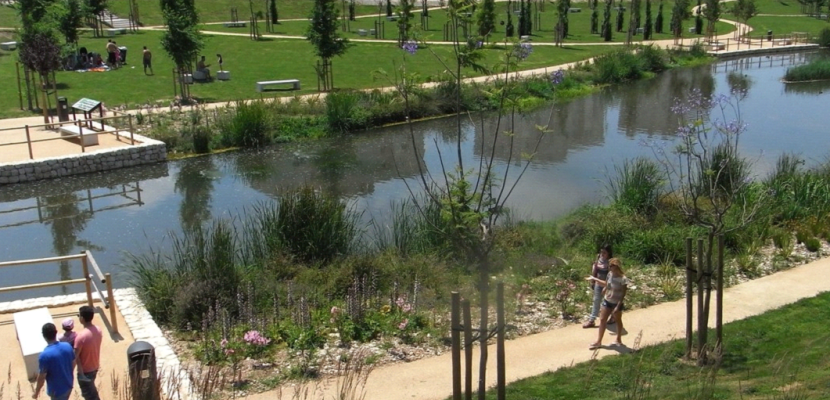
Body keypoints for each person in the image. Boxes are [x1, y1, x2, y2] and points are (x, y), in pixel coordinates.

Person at [586, 257, 628, 350]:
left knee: (618, 320)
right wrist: (597, 281)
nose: (610, 267)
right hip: (607, 300)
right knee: (602, 320)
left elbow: (623, 293)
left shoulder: (623, 279)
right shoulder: (609, 274)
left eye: (612, 266)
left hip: (616, 302)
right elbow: (607, 283)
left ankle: (618, 339)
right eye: (609, 266)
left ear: (617, 266)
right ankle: (598, 341)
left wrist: (618, 306)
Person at [32, 323, 75, 400]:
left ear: (43, 335)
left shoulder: (44, 356)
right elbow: (73, 363)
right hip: (69, 384)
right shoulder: (68, 346)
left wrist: (36, 393)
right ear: (56, 332)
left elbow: (41, 377)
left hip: (57, 391)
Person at [74, 306, 102, 400]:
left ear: (82, 318)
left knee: (90, 396)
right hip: (94, 366)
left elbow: (74, 356)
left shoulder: (81, 337)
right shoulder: (98, 330)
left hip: (85, 371)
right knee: (91, 391)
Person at [583, 244, 613, 328]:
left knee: (609, 302)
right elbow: (595, 271)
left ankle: (613, 317)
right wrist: (593, 282)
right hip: (598, 284)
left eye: (604, 253)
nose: (602, 254)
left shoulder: (610, 263)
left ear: (609, 254)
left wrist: (606, 287)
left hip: (607, 285)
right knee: (596, 301)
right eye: (601, 252)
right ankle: (591, 320)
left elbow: (611, 277)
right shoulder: (598, 260)